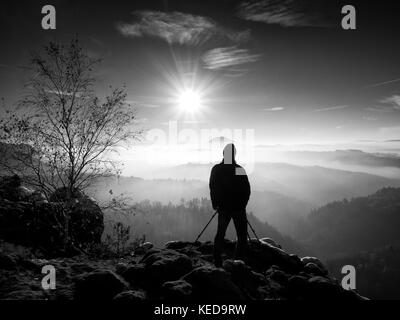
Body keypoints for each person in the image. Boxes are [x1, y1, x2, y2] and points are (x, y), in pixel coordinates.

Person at [209, 143, 251, 267]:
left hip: (223, 208)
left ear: (223, 154)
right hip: (238, 208)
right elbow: (246, 190)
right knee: (242, 236)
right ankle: (238, 262)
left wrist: (215, 204)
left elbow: (213, 187)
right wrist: (243, 204)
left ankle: (217, 262)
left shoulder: (217, 169)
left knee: (220, 234)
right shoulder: (239, 169)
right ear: (234, 155)